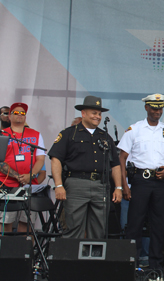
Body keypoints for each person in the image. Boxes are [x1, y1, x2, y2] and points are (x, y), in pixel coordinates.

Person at [118, 93, 164, 271]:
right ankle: (132, 264)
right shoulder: (135, 129)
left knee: (158, 224)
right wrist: (124, 186)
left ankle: (156, 266)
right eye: (154, 108)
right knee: (135, 224)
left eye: (160, 108)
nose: (157, 112)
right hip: (140, 180)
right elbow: (122, 158)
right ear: (146, 108)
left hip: (160, 181)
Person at [49, 96, 122, 239]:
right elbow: (55, 159)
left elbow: (115, 165)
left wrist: (118, 188)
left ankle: (93, 261)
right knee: (73, 229)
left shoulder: (105, 137)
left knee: (98, 230)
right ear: (83, 113)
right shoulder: (69, 133)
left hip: (101, 186)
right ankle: (71, 261)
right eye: (94, 113)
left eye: (99, 114)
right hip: (76, 184)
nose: (98, 117)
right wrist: (58, 185)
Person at [0, 102, 46, 233]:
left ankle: (25, 253)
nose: (19, 115)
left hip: (30, 184)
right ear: (9, 117)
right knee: (6, 221)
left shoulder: (36, 134)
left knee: (27, 223)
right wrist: (17, 176)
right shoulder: (0, 135)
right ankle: (5, 253)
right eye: (15, 112)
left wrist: (31, 175)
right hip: (7, 184)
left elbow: (40, 159)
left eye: (22, 113)